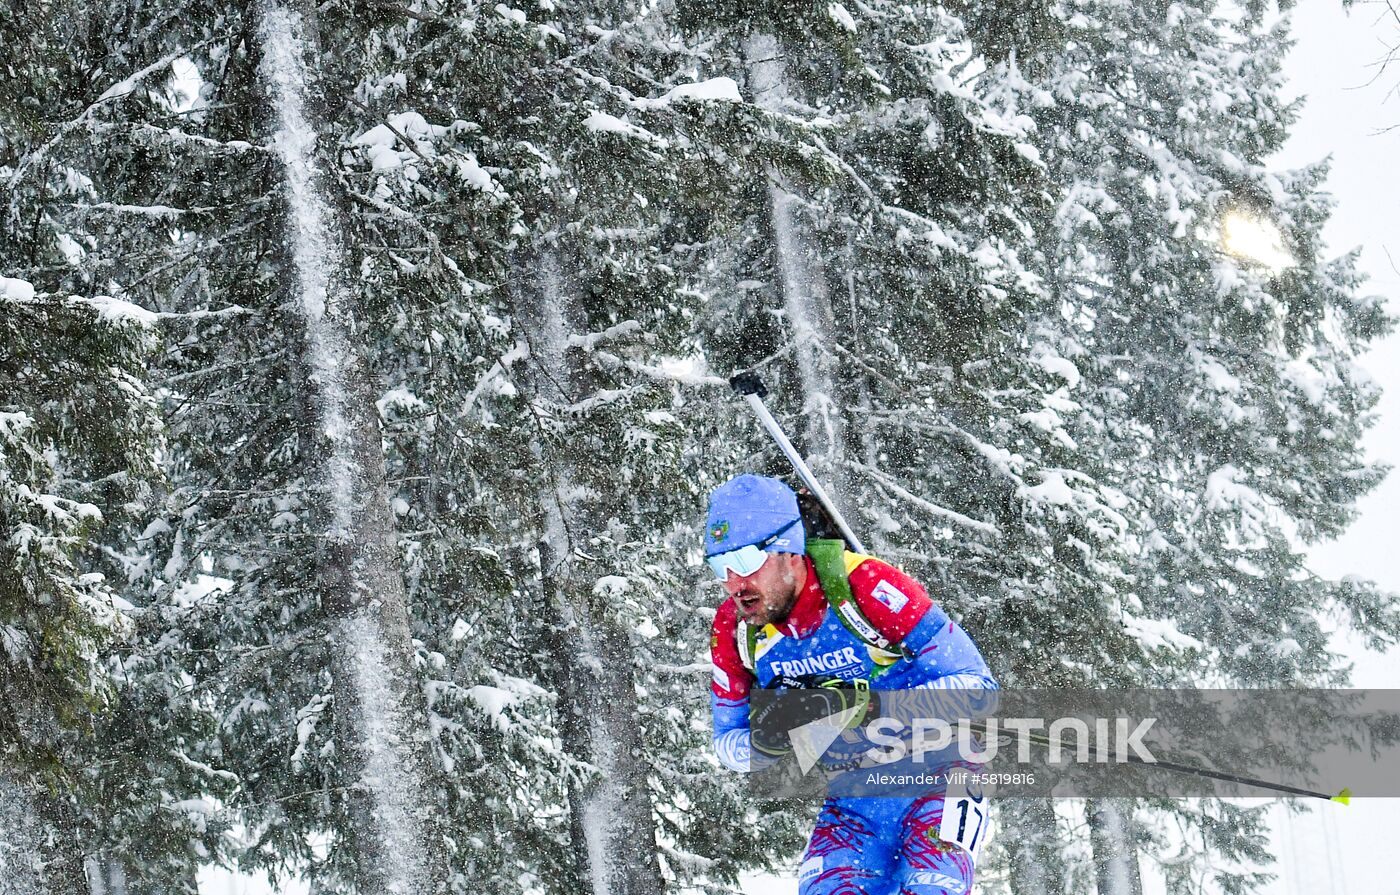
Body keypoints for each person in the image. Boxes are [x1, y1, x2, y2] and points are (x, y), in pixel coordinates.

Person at [706, 473, 998, 895]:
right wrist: (765, 742)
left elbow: (978, 690)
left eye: (747, 561)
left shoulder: (866, 586)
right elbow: (727, 745)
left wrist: (870, 706)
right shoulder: (735, 631)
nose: (734, 583)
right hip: (857, 798)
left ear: (789, 550)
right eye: (720, 566)